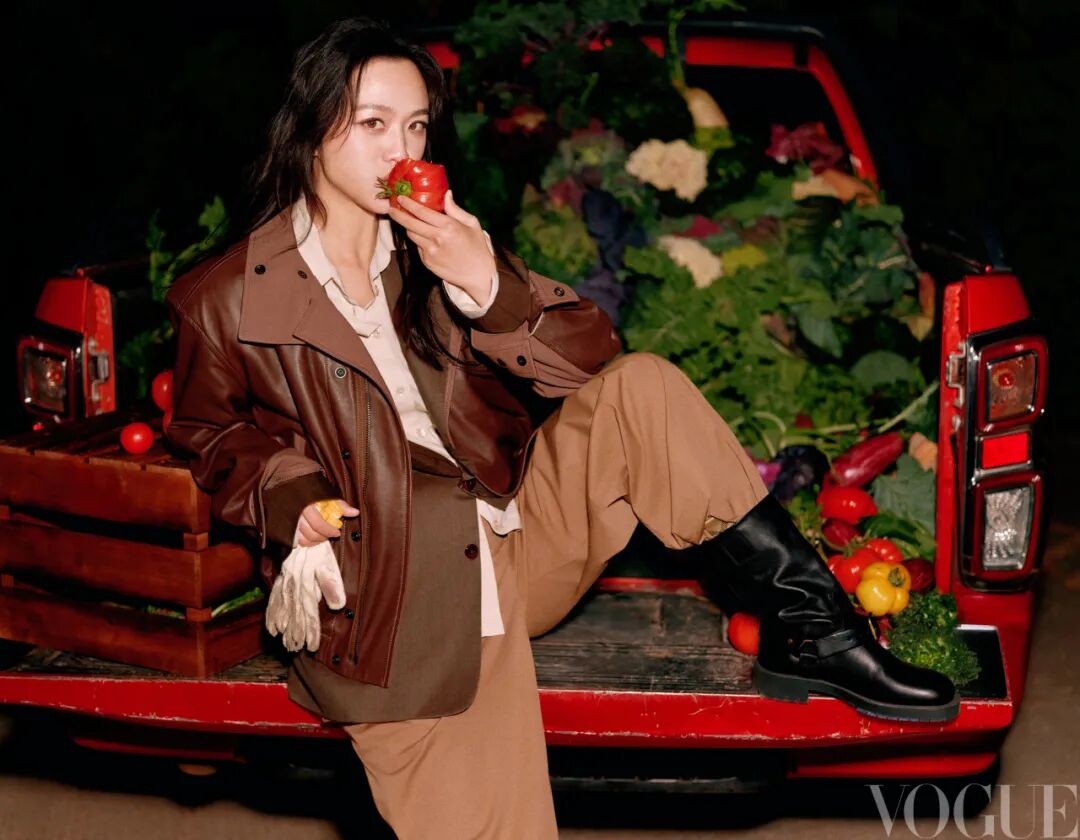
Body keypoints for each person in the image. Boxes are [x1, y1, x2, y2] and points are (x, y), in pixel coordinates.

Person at [165, 16, 958, 839]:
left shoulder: (436, 246)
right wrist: (289, 491)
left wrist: (485, 285)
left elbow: (592, 359)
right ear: (309, 128)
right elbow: (209, 435)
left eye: (417, 127)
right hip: (393, 584)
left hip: (517, 537)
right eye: (373, 124)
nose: (402, 151)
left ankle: (813, 626)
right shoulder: (223, 298)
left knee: (641, 388)